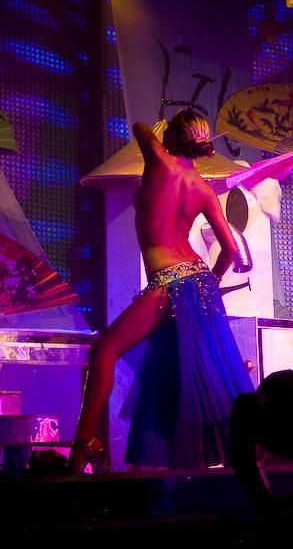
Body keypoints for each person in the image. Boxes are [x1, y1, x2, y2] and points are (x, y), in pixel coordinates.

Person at [69, 111, 253, 473]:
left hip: (171, 282)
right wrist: (210, 283)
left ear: (171, 136)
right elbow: (230, 249)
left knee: (104, 351)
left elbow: (139, 127)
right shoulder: (203, 189)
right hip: (198, 284)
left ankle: (84, 443)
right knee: (188, 379)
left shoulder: (159, 161)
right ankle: (206, 471)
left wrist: (162, 126)